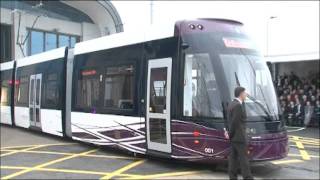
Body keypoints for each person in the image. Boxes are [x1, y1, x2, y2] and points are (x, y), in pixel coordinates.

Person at [226, 86, 254, 180]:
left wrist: (230, 135)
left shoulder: (231, 104)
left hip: (234, 137)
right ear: (241, 94)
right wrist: (231, 134)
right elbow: (235, 122)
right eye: (245, 93)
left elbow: (229, 121)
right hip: (239, 137)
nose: (246, 95)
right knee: (243, 159)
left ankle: (232, 177)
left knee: (233, 159)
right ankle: (248, 177)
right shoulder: (238, 106)